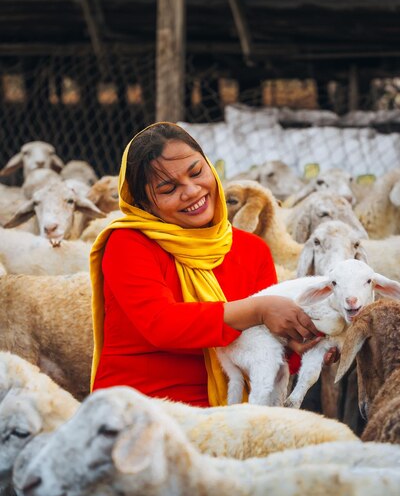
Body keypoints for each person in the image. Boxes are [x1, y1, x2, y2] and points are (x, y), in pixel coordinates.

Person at [90, 122, 328, 408]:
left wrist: (298, 342)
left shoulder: (251, 250)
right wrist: (259, 310)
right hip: (140, 409)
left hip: (228, 412)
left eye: (196, 172)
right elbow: (161, 324)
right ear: (143, 203)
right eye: (168, 189)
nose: (191, 191)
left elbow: (265, 345)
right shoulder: (128, 243)